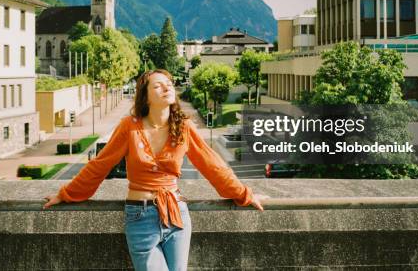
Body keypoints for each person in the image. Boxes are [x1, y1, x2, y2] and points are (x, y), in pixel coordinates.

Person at [43, 69, 266, 271]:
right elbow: (100, 165)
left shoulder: (184, 127)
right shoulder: (129, 127)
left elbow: (213, 165)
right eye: (158, 85)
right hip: (140, 216)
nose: (167, 87)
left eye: (169, 83)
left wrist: (243, 194)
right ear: (145, 96)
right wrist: (67, 193)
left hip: (177, 215)